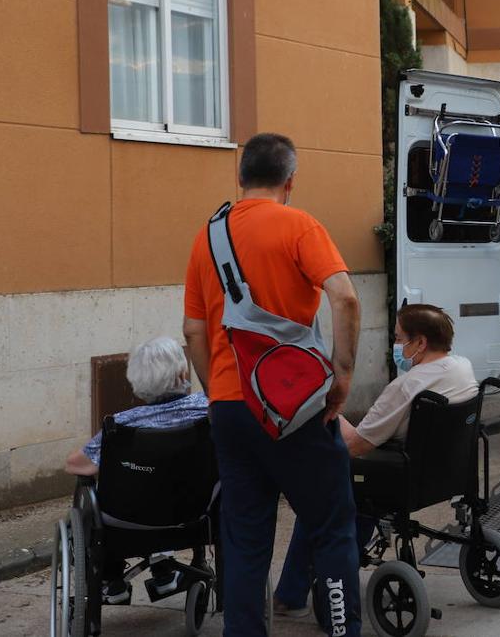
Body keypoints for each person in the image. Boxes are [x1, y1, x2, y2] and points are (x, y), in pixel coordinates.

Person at [182, 133, 362, 636]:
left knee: (243, 539)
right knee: (329, 525)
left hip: (230, 410)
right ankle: (343, 629)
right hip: (295, 408)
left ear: (240, 178)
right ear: (290, 181)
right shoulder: (300, 225)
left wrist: (218, 392)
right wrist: (342, 377)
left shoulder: (207, 237)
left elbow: (193, 331)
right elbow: (344, 299)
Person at [273, 304, 478, 615]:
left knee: (319, 491)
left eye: (398, 339)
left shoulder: (407, 386)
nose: (396, 346)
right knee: (354, 489)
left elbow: (355, 446)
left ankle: (292, 593)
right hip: (445, 474)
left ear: (420, 343)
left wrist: (327, 413)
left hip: (399, 475)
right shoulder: (463, 368)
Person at [64, 336, 210, 604]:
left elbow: (75, 464)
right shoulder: (207, 410)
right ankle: (164, 570)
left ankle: (111, 578)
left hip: (131, 522)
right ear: (183, 372)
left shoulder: (121, 426)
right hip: (197, 515)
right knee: (169, 486)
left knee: (96, 495)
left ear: (137, 382)